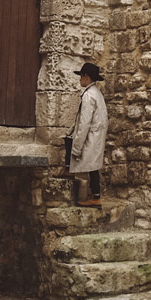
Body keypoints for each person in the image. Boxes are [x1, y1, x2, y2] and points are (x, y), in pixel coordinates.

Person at [68, 62, 108, 207]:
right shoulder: (97, 94)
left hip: (91, 135)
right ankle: (95, 195)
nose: (79, 80)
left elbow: (84, 122)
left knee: (90, 165)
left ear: (86, 77)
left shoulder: (88, 96)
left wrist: (76, 146)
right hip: (96, 135)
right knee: (93, 166)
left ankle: (95, 197)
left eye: (81, 76)